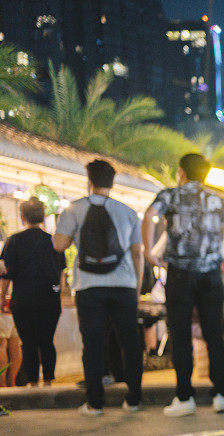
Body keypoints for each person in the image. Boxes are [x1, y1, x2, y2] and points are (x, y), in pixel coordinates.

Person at [142, 153, 224, 416]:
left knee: (180, 334)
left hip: (180, 273)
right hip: (211, 275)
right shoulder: (218, 199)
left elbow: (149, 216)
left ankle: (185, 397)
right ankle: (220, 395)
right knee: (214, 333)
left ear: (181, 172)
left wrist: (149, 252)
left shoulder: (171, 195)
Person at [54, 159, 143, 416]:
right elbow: (137, 253)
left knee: (92, 343)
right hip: (124, 285)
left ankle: (95, 403)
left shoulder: (74, 209)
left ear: (89, 181)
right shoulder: (128, 212)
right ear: (112, 183)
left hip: (89, 286)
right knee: (130, 342)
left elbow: (59, 245)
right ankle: (133, 399)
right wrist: (135, 288)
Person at [0, 197, 64, 387]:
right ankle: (49, 381)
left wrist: (3, 297)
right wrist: (59, 293)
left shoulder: (14, 240)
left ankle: (33, 383)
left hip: (23, 298)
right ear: (43, 217)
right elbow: (61, 273)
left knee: (28, 342)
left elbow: (6, 273)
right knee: (47, 341)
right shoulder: (53, 241)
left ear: (22, 216)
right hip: (50, 299)